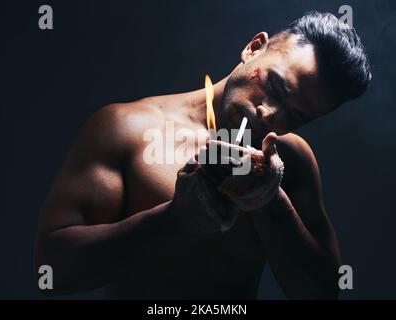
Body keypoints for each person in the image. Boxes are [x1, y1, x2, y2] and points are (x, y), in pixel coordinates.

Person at [34, 11, 371, 299]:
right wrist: (173, 219)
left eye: (297, 117)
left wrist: (270, 201)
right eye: (275, 86)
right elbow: (52, 272)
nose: (271, 115)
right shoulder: (127, 128)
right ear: (254, 49)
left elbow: (322, 292)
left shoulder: (291, 161)